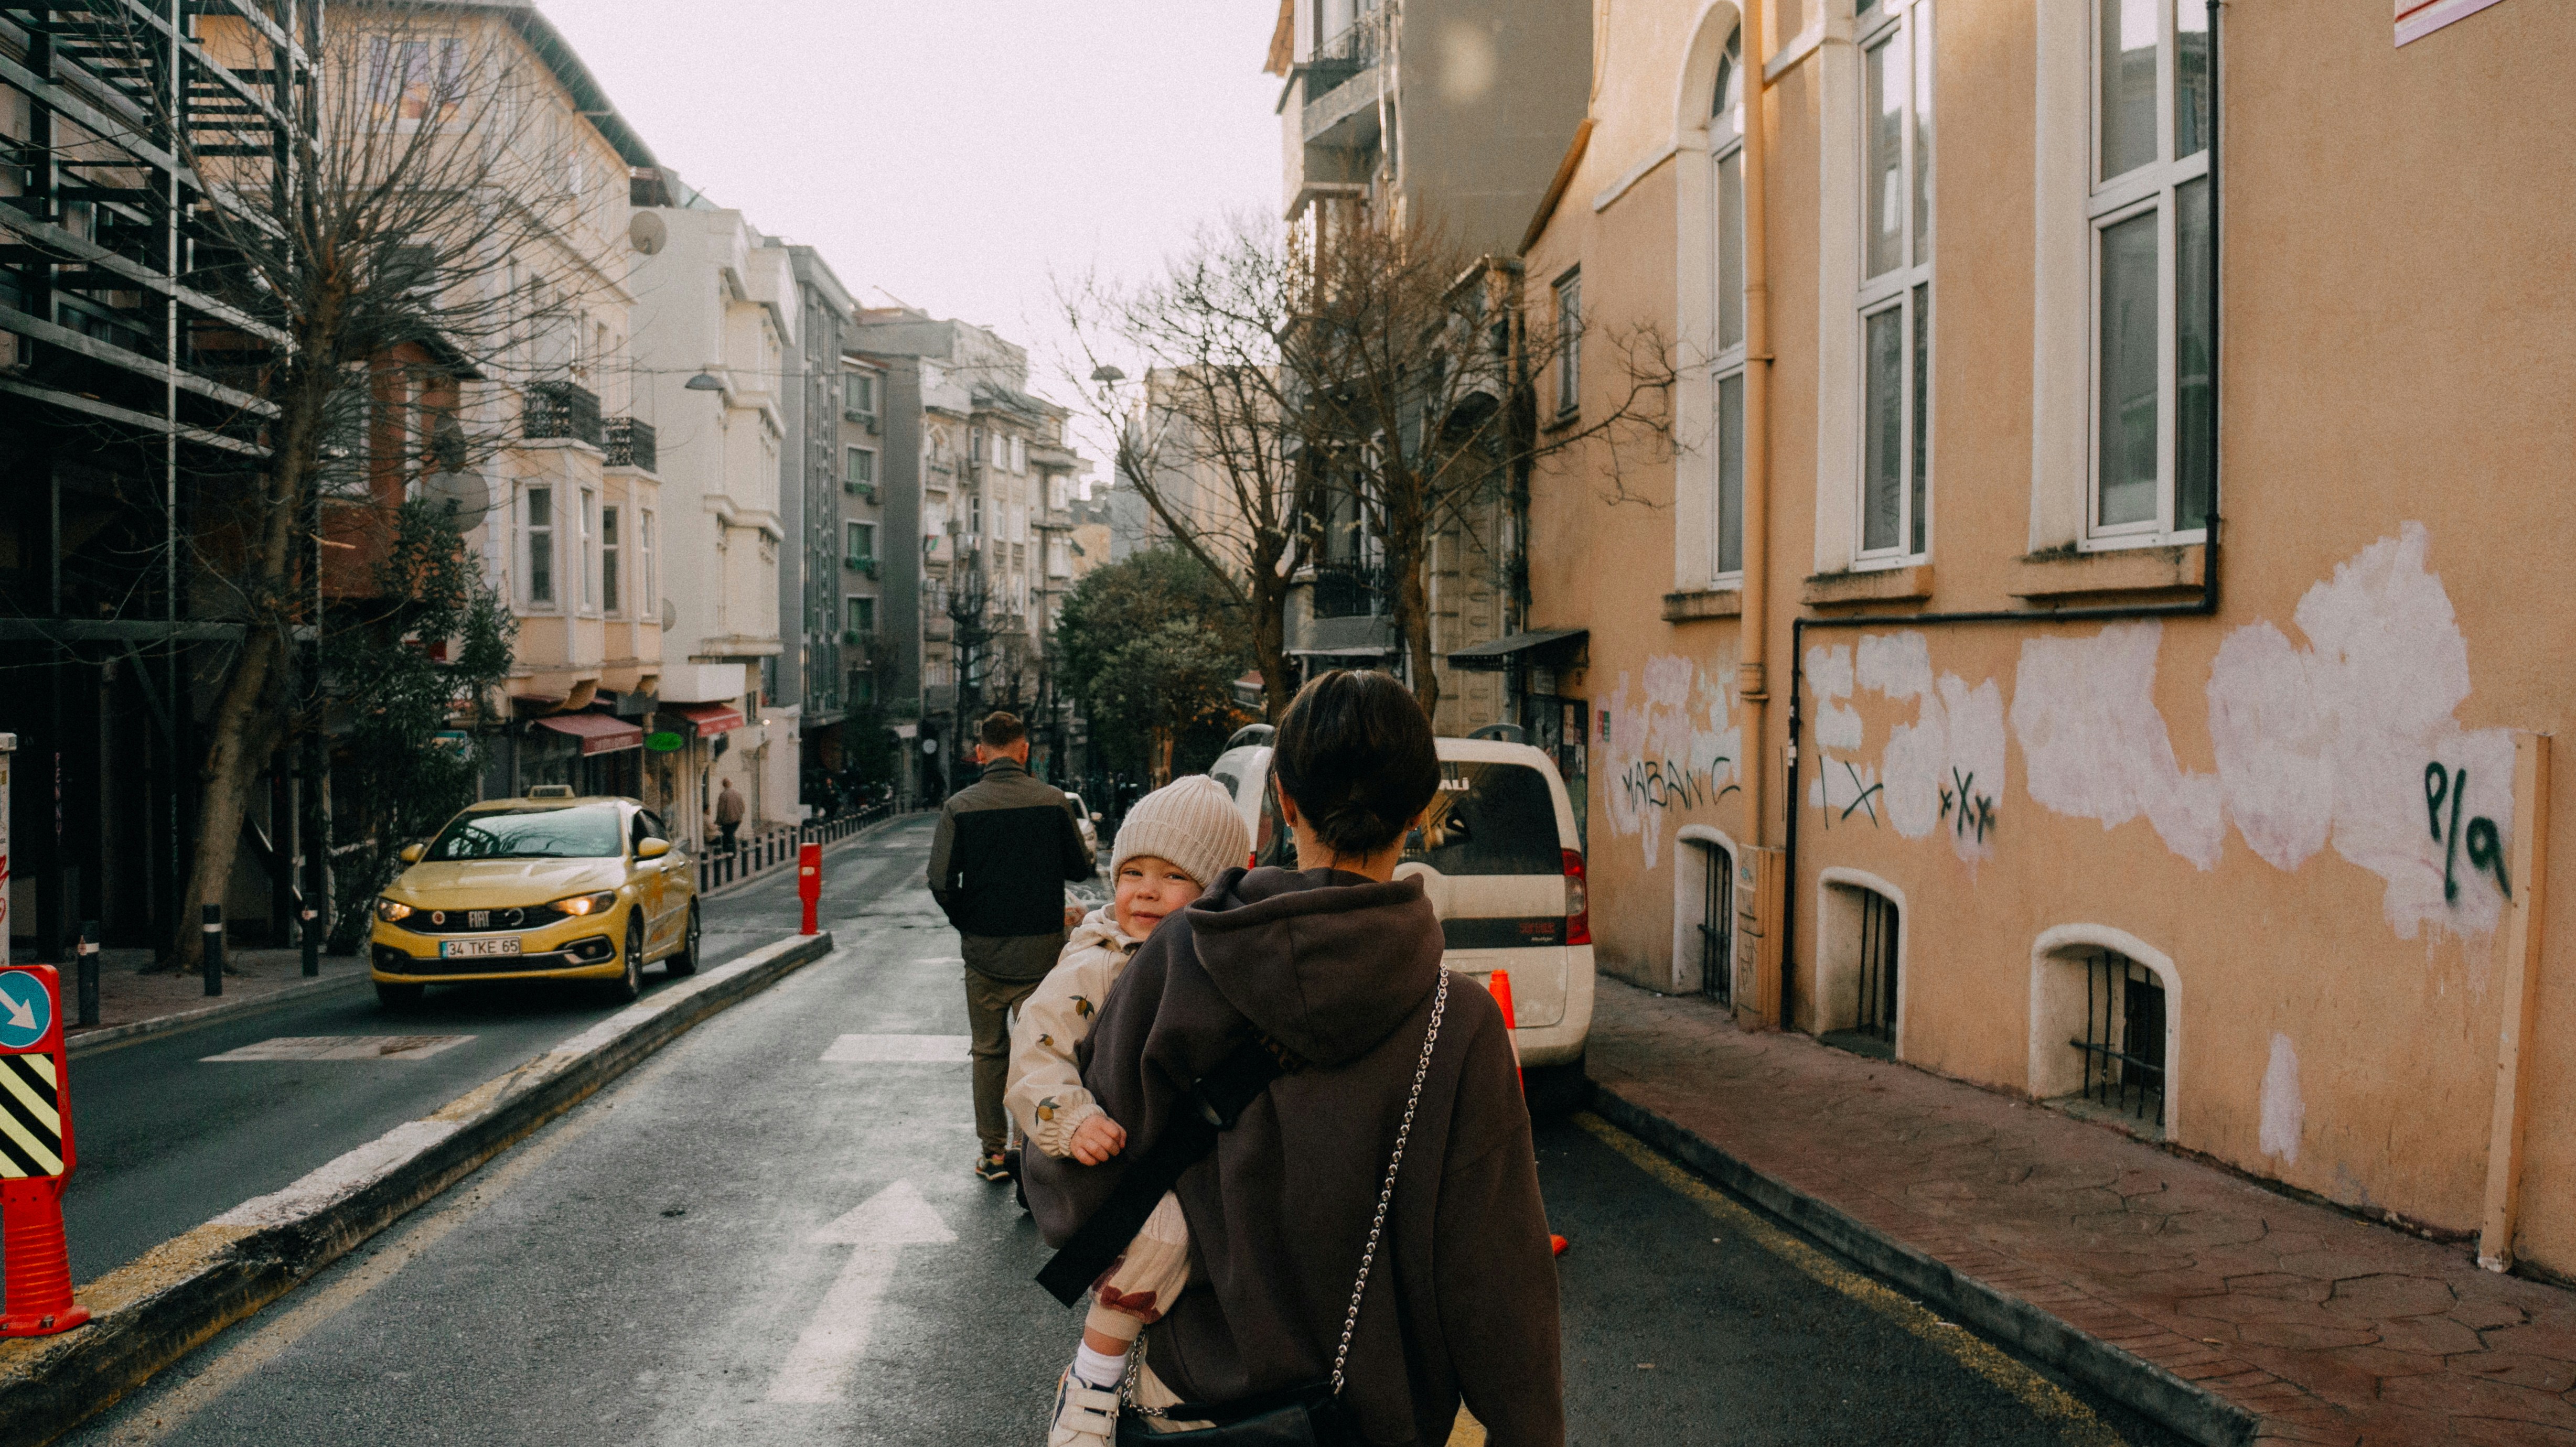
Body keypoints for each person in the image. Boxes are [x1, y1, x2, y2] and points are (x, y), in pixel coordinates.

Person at [1025, 671, 1563, 1446]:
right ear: (1419, 813)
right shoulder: (1460, 1023)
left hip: (1189, 1409)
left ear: (1282, 800)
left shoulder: (1178, 959)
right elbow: (1496, 1285)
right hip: (1377, 1424)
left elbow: (1073, 1180)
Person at [1001, 776, 1249, 1447]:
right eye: (1131, 871)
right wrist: (1070, 1118)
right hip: (1085, 1154)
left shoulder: (1210, 960)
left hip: (1157, 1153)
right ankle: (1091, 1380)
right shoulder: (1100, 961)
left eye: (1174, 877)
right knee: (1166, 1236)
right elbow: (1035, 1050)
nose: (1144, 890)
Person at [928, 710, 1097, 1183]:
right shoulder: (1052, 801)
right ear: (1025, 751)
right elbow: (1081, 869)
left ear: (980, 752)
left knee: (988, 1051)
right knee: (1041, 1050)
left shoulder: (959, 807)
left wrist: (968, 921)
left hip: (984, 954)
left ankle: (993, 1154)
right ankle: (1032, 1149)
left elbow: (939, 881)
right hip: (1042, 952)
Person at [714, 777, 745, 854]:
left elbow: (721, 810)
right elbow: (743, 807)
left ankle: (731, 853)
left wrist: (718, 821)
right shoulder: (738, 793)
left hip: (727, 820)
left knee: (728, 836)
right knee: (730, 835)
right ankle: (731, 853)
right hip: (737, 820)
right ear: (731, 784)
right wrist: (740, 816)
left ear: (723, 785)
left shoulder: (723, 795)